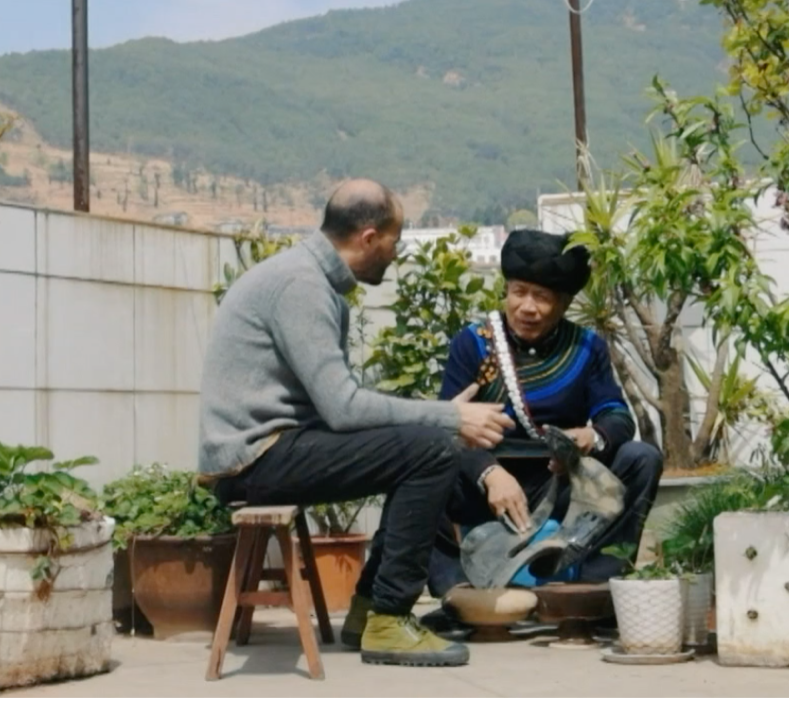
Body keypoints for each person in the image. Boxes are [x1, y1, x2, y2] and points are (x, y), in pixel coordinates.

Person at [197, 179, 513, 668]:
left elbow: (338, 409)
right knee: (434, 449)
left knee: (423, 444)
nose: (395, 254)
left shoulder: (307, 279)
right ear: (369, 238)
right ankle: (389, 616)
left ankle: (369, 611)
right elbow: (344, 409)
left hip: (274, 448)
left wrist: (437, 419)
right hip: (256, 458)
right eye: (394, 241)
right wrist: (451, 416)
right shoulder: (301, 286)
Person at [428, 228, 664, 596]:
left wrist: (590, 437)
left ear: (564, 303)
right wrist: (489, 473)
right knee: (423, 462)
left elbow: (616, 415)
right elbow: (449, 427)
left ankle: (594, 585)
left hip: (558, 481)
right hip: (485, 482)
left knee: (641, 458)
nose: (527, 307)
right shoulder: (473, 343)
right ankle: (455, 591)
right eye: (519, 292)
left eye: (541, 296)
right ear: (506, 291)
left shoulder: (586, 346)